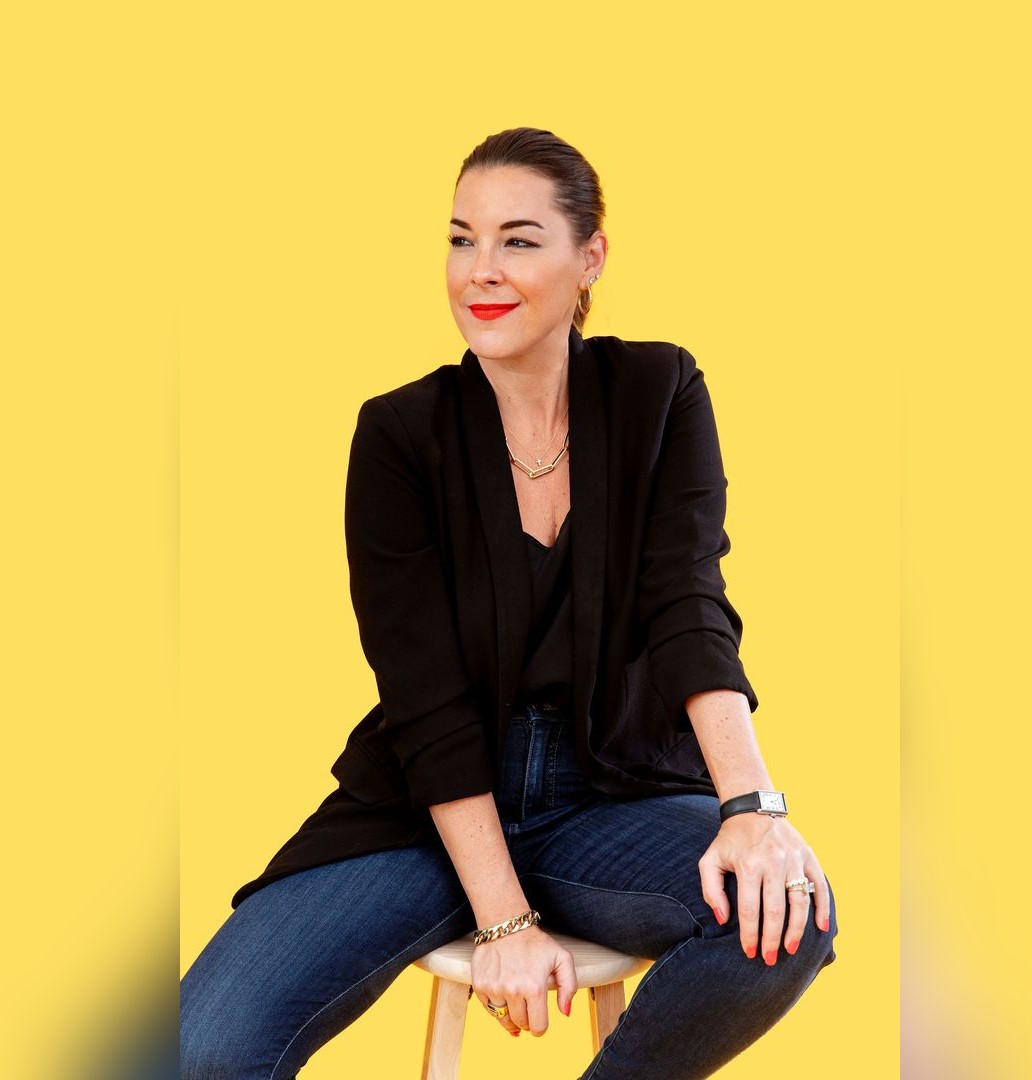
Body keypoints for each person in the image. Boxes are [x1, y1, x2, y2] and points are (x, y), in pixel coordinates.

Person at [180, 126, 838, 1079]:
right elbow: (427, 698)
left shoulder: (661, 389)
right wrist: (505, 917)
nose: (478, 271)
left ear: (590, 260)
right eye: (460, 239)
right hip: (427, 809)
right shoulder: (400, 434)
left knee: (791, 914)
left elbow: (689, 601)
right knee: (204, 1047)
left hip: (611, 795)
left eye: (519, 240)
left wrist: (752, 808)